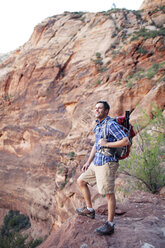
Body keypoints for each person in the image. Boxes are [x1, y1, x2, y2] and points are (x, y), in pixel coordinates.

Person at [76, 100, 129, 235]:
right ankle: (90, 210)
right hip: (97, 161)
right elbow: (96, 144)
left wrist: (106, 144)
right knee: (81, 181)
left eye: (100, 108)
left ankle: (110, 224)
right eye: (96, 108)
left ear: (106, 111)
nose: (97, 110)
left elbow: (125, 140)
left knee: (108, 193)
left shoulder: (111, 124)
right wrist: (88, 162)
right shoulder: (98, 125)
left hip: (108, 162)